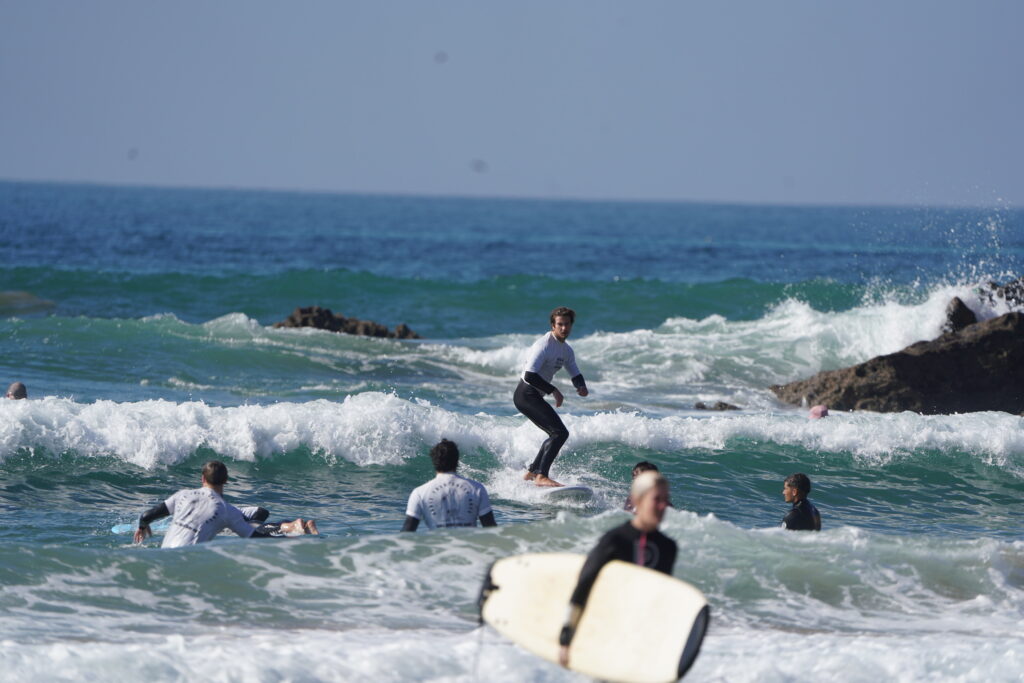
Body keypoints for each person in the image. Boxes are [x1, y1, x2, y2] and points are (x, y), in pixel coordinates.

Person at [559, 471, 676, 667]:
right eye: (657, 499)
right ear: (637, 500)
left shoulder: (668, 547)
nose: (663, 506)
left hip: (644, 638)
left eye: (666, 499)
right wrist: (566, 639)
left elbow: (661, 596)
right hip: (607, 633)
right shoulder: (615, 540)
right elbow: (584, 584)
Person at [133, 460, 318, 548]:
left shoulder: (182, 495)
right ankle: (294, 528)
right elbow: (255, 539)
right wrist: (288, 541)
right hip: (187, 561)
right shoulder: (226, 511)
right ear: (227, 480)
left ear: (202, 478)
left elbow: (147, 515)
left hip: (165, 558)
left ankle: (292, 526)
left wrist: (142, 527)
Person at [514, 306, 589, 487]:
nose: (564, 328)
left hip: (534, 395)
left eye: (567, 324)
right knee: (560, 433)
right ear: (553, 325)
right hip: (526, 394)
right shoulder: (544, 345)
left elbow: (575, 373)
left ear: (571, 325)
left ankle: (532, 472)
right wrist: (553, 390)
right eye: (560, 324)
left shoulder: (566, 350)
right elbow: (529, 375)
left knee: (555, 433)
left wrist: (581, 386)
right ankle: (541, 476)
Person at [402, 439, 496, 531]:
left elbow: (407, 533)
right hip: (468, 546)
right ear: (457, 460)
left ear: (434, 461)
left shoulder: (419, 493)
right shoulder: (477, 489)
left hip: (438, 546)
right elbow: (491, 529)